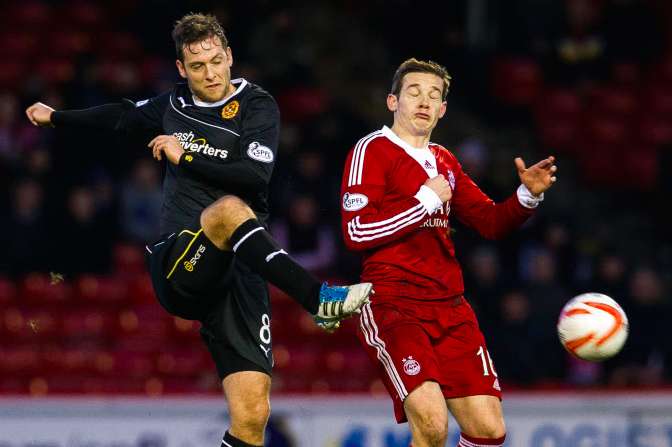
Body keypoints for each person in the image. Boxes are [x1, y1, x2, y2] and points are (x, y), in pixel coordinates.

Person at [26, 13, 373, 447]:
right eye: (197, 66)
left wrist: (184, 156)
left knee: (252, 416)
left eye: (215, 61)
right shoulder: (172, 105)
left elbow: (254, 175)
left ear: (229, 56)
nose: (209, 73)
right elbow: (121, 115)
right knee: (227, 210)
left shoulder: (257, 105)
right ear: (181, 68)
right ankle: (319, 298)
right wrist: (56, 116)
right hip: (183, 262)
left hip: (240, 272)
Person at [339, 58, 557, 447]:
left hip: (451, 308)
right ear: (393, 101)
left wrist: (526, 196)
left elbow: (491, 221)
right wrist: (424, 202)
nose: (424, 101)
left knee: (489, 431)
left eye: (433, 95)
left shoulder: (445, 161)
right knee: (432, 424)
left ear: (442, 110)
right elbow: (356, 231)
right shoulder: (371, 150)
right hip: (394, 304)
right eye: (414, 92)